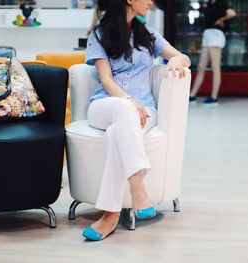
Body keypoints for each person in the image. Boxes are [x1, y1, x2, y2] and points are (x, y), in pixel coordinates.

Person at [83, 0, 190, 241]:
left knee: (115, 134)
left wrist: (176, 60)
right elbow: (106, 80)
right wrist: (130, 101)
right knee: (124, 109)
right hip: (106, 105)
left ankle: (109, 217)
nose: (151, 1)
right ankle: (137, 185)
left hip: (144, 111)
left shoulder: (148, 35)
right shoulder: (99, 36)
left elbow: (184, 57)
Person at [189, 0, 236, 105]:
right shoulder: (210, 3)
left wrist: (221, 19)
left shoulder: (222, 3)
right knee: (201, 66)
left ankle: (214, 97)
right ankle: (192, 95)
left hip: (215, 34)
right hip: (208, 35)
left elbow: (232, 13)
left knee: (215, 66)